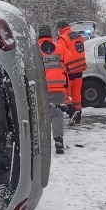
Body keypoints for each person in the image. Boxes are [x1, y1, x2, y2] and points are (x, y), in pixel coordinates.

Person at [37, 25, 67, 154]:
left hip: (41, 89)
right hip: (58, 87)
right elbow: (69, 61)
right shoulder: (59, 47)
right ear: (50, 35)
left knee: (40, 115)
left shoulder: (35, 50)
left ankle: (41, 144)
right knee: (57, 113)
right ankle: (58, 140)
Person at [56, 20, 87, 125]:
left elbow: (60, 53)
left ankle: (72, 112)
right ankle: (78, 115)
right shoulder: (78, 36)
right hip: (80, 68)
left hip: (69, 69)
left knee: (64, 94)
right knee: (76, 93)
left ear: (60, 28)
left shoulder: (63, 38)